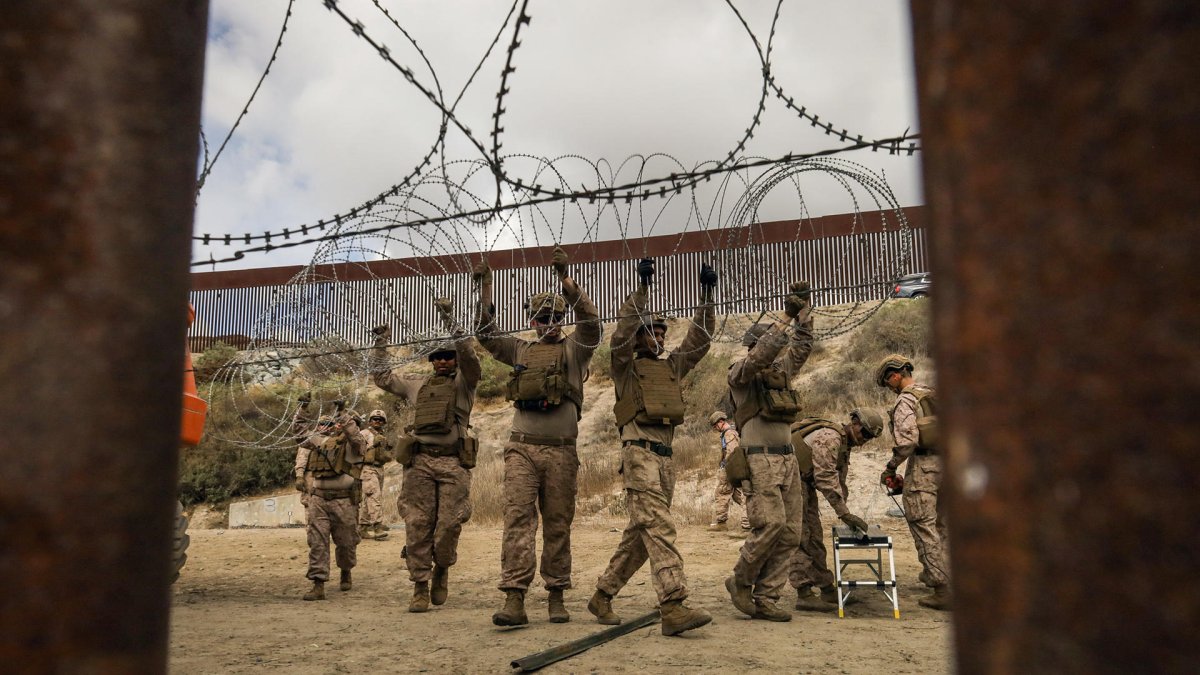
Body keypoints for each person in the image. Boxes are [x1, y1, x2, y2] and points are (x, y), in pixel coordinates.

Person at [587, 258, 716, 636]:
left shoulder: (672, 367)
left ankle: (603, 594)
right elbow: (620, 337)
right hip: (638, 454)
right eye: (651, 332)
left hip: (665, 459)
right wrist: (641, 290)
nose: (658, 338)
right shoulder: (624, 368)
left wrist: (707, 296)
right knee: (660, 528)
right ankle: (673, 604)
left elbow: (700, 341)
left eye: (661, 332)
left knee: (641, 537)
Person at [474, 247, 602, 626]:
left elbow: (592, 323)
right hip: (523, 450)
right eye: (542, 317)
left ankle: (556, 595)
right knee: (517, 520)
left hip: (562, 453)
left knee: (558, 524)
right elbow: (485, 334)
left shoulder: (575, 350)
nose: (548, 322)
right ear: (532, 320)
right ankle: (514, 597)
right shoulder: (519, 348)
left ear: (562, 319)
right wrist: (485, 288)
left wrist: (568, 280)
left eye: (554, 317)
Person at [371, 298, 481, 613]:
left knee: (448, 524)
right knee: (418, 523)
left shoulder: (465, 383)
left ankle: (442, 568)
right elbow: (383, 379)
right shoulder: (417, 385)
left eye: (448, 357)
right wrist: (381, 343)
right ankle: (420, 584)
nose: (443, 362)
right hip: (419, 463)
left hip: (453, 462)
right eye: (438, 358)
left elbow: (471, 357)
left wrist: (449, 317)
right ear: (432, 361)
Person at [723, 282, 815, 622]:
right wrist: (784, 318)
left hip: (787, 458)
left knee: (791, 531)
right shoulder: (740, 375)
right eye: (768, 347)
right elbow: (760, 356)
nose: (777, 355)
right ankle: (741, 580)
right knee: (770, 524)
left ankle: (768, 596)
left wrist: (804, 313)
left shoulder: (781, 373)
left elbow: (803, 347)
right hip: (759, 458)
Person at [787, 408, 883, 611]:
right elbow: (825, 477)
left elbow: (839, 480)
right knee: (801, 536)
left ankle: (825, 587)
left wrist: (844, 510)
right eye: (864, 432)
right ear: (854, 423)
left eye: (870, 437)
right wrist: (843, 512)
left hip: (802, 482)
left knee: (814, 535)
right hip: (791, 482)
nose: (865, 438)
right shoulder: (831, 438)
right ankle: (803, 592)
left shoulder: (844, 444)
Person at [876, 354, 950, 610]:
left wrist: (891, 466)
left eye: (888, 382)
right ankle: (945, 576)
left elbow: (907, 441)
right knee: (943, 526)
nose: (889, 387)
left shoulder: (906, 400)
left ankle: (941, 588)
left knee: (923, 524)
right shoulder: (934, 394)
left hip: (925, 467)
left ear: (894, 376)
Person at [295, 411, 365, 601]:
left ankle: (345, 570)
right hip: (318, 499)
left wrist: (344, 415)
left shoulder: (355, 445)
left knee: (346, 542)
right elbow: (300, 434)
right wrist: (302, 410)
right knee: (317, 542)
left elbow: (355, 436)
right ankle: (318, 584)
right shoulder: (321, 442)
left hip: (344, 501)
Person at [707, 411, 749, 532]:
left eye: (716, 425)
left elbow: (732, 452)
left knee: (722, 492)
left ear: (721, 421)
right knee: (737, 495)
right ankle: (748, 519)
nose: (715, 428)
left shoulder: (729, 434)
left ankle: (722, 522)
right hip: (732, 467)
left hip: (730, 467)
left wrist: (726, 468)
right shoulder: (730, 432)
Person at [357, 410, 393, 541]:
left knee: (369, 499)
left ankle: (363, 527)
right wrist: (373, 444)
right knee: (374, 496)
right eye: (375, 419)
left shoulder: (382, 435)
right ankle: (377, 527)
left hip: (380, 468)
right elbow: (357, 450)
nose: (377, 421)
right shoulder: (364, 434)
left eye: (380, 419)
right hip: (368, 468)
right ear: (370, 421)